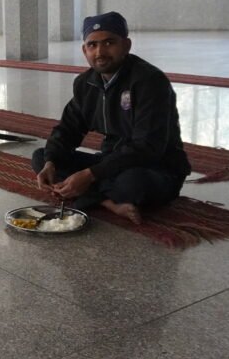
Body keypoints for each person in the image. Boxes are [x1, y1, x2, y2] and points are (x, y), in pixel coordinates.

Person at [32, 12, 191, 225]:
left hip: (156, 167)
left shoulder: (149, 82)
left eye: (109, 43)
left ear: (126, 45)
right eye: (93, 45)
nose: (100, 52)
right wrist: (51, 162)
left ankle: (92, 196)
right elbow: (68, 129)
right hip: (110, 162)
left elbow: (147, 147)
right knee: (42, 157)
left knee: (131, 184)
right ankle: (107, 202)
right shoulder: (85, 83)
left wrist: (90, 175)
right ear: (84, 50)